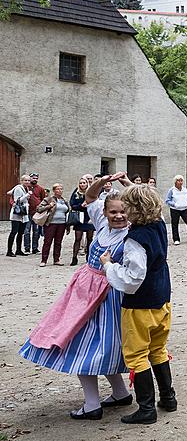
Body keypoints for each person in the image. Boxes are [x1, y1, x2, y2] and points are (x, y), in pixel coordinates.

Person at [19, 173, 134, 419]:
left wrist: (128, 185)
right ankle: (120, 393)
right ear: (105, 212)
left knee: (94, 346)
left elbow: (148, 205)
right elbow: (90, 195)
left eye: (123, 211)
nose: (119, 216)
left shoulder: (133, 232)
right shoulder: (101, 223)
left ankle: (92, 405)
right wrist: (103, 181)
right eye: (113, 212)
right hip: (82, 292)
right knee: (91, 344)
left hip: (109, 295)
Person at [100, 185, 176, 425]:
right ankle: (168, 397)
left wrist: (108, 266)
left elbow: (133, 278)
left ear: (133, 209)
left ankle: (146, 409)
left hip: (140, 305)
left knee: (137, 354)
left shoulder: (135, 239)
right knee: (158, 349)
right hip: (162, 299)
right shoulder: (159, 225)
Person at [37, 183, 71, 267]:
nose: (60, 191)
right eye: (58, 189)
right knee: (47, 242)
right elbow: (39, 208)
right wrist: (49, 206)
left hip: (62, 224)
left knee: (58, 242)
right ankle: (44, 260)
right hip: (51, 223)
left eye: (61, 189)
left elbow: (67, 211)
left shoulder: (64, 200)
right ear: (54, 190)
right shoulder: (49, 199)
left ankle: (56, 259)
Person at [164, 175, 187, 244]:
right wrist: (174, 204)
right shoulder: (171, 190)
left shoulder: (185, 189)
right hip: (175, 209)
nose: (180, 182)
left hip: (185, 209)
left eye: (181, 180)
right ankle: (176, 239)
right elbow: (167, 200)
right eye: (178, 181)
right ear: (175, 182)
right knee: (175, 224)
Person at [69, 176, 95, 266]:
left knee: (90, 239)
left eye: (84, 183)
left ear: (87, 184)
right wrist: (81, 205)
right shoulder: (76, 193)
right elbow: (72, 205)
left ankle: (89, 257)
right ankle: (74, 258)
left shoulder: (91, 192)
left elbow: (95, 203)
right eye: (81, 183)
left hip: (89, 217)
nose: (82, 184)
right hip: (79, 218)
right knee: (78, 238)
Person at [7, 175, 31, 256]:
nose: (27, 182)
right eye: (25, 180)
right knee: (14, 232)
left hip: (23, 214)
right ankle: (9, 251)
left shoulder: (26, 188)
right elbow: (17, 200)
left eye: (28, 180)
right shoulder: (18, 188)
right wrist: (27, 196)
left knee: (21, 233)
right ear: (22, 181)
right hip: (16, 214)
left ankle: (18, 250)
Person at [25, 173, 47, 254]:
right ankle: (27, 248)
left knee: (36, 231)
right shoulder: (26, 187)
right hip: (27, 212)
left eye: (36, 178)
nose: (35, 179)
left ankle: (35, 248)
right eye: (33, 178)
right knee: (27, 231)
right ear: (30, 178)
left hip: (37, 213)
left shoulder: (40, 189)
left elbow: (43, 200)